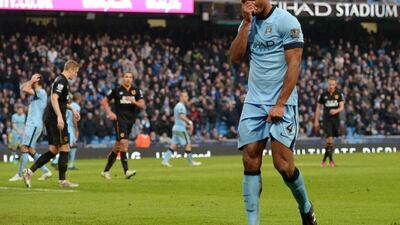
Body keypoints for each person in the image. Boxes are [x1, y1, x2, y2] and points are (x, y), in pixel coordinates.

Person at [229, 0, 317, 224]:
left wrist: (280, 103)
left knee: (283, 165)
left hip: (282, 102)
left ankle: (306, 207)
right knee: (250, 159)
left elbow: (294, 64)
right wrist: (247, 24)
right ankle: (252, 222)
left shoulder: (287, 21)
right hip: (254, 101)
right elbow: (234, 58)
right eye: (244, 0)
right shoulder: (248, 24)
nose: (249, 3)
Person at [23, 60, 81, 188]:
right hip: (55, 118)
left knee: (53, 150)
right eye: (75, 72)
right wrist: (60, 116)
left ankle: (29, 172)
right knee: (65, 147)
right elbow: (54, 98)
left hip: (51, 118)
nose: (76, 75)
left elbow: (61, 102)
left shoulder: (61, 80)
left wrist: (72, 109)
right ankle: (62, 181)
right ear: (70, 70)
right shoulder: (61, 81)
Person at [100, 72, 145, 180]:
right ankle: (127, 171)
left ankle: (105, 171)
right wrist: (110, 113)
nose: (128, 79)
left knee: (117, 148)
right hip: (119, 120)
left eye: (130, 77)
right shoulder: (116, 90)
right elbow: (104, 101)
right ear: (122, 78)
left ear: (132, 79)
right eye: (126, 77)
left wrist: (134, 102)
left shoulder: (136, 91)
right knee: (124, 143)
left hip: (130, 121)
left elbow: (142, 105)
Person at [8, 74, 52, 182]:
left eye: (34, 78)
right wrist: (30, 81)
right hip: (32, 124)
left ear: (37, 81)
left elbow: (24, 88)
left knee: (24, 147)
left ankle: (19, 174)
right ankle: (46, 171)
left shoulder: (41, 93)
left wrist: (30, 81)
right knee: (31, 150)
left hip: (34, 124)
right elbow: (22, 88)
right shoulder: (35, 94)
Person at [161, 91, 202, 167]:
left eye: (187, 96)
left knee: (174, 145)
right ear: (181, 97)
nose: (187, 98)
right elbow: (181, 116)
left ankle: (165, 161)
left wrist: (186, 126)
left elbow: (178, 119)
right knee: (188, 144)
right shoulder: (181, 106)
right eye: (185, 96)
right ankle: (191, 163)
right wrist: (190, 122)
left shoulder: (178, 106)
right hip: (180, 129)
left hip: (176, 127)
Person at [314, 77, 344, 167]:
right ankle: (331, 161)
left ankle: (324, 160)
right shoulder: (323, 95)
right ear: (328, 84)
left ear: (335, 85)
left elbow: (342, 107)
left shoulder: (339, 94)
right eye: (330, 84)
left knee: (330, 142)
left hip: (335, 120)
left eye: (333, 84)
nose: (331, 86)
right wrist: (316, 121)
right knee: (330, 139)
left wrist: (336, 110)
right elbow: (318, 108)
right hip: (326, 120)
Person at [51, 93, 82, 170]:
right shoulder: (76, 106)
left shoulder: (70, 104)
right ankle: (56, 161)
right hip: (70, 128)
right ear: (79, 98)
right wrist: (76, 129)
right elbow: (74, 119)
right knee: (66, 147)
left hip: (64, 126)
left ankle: (69, 164)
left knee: (72, 146)